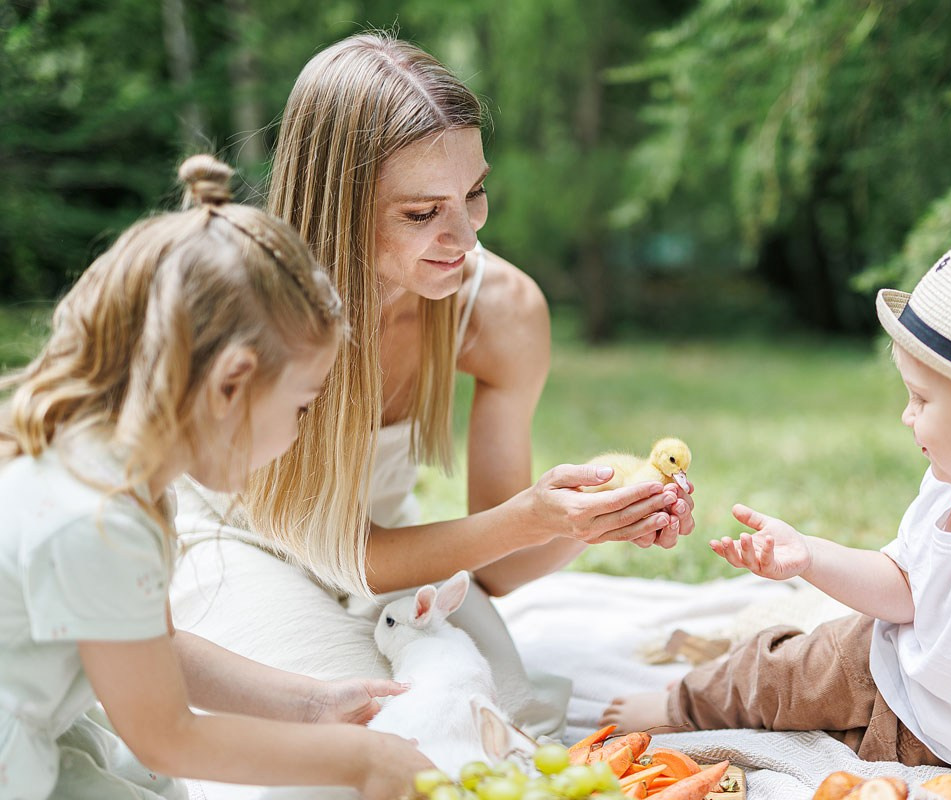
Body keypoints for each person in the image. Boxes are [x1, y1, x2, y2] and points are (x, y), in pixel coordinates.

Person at [168, 31, 696, 739]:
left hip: (391, 557)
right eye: (422, 214)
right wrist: (531, 516)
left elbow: (500, 568)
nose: (467, 237)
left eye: (474, 193)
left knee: (497, 715)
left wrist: (594, 517)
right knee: (367, 730)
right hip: (245, 544)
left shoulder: (502, 310)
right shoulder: (261, 310)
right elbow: (341, 548)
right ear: (339, 207)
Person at [603, 234, 951, 799]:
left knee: (834, 739)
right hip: (886, 664)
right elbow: (905, 586)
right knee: (776, 670)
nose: (907, 416)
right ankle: (678, 704)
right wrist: (808, 555)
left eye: (922, 400)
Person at [0, 155, 436, 800]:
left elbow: (151, 647)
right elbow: (167, 736)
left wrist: (312, 704)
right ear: (231, 383)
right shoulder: (97, 519)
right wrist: (357, 761)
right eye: (301, 405)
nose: (296, 434)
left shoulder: (122, 473)